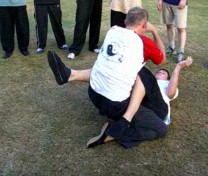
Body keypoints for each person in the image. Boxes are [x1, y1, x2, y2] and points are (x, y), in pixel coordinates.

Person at [47, 7, 166, 147]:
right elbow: (162, 60)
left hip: (94, 93)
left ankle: (71, 74)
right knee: (160, 128)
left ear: (125, 21)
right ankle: (113, 132)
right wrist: (155, 32)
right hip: (115, 103)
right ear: (144, 25)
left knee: (111, 66)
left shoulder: (113, 31)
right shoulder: (144, 42)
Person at [87, 56, 193, 148]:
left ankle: (116, 129)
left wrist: (178, 68)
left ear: (167, 79)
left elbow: (170, 93)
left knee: (143, 72)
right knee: (160, 130)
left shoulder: (165, 84)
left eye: (164, 73)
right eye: (159, 71)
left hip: (158, 110)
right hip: (139, 107)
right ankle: (111, 133)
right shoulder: (143, 81)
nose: (160, 72)